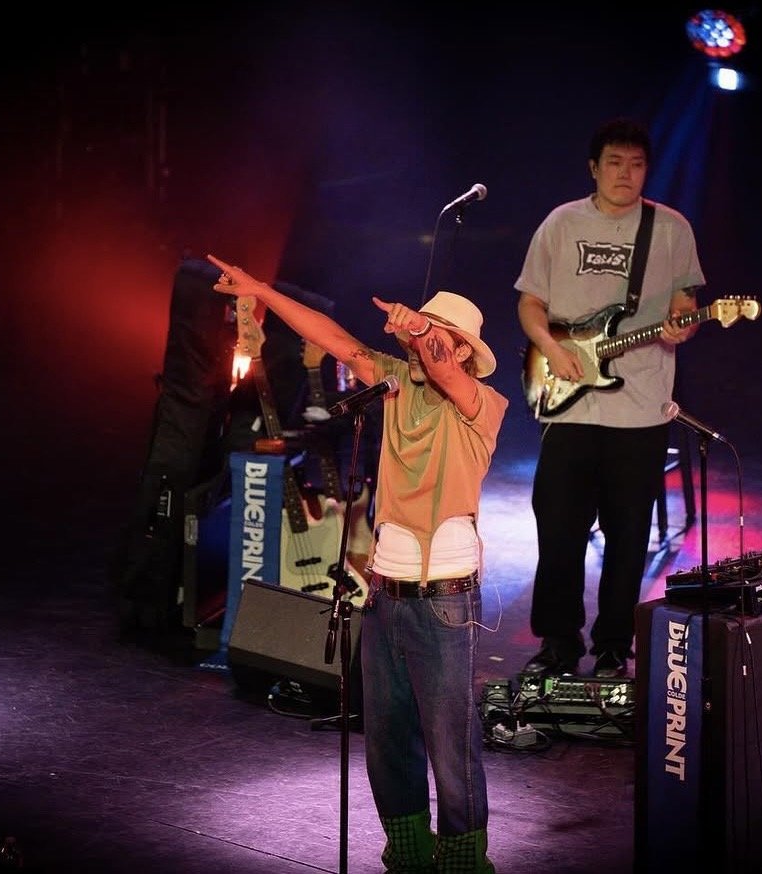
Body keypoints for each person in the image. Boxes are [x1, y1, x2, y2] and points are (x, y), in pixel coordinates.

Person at [207, 253, 504, 873]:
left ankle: (463, 860)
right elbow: (331, 335)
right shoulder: (392, 382)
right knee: (386, 736)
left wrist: (420, 328)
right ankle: (409, 852)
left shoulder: (479, 402)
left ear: (463, 352)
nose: (423, 344)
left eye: (439, 335)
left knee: (451, 743)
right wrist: (262, 291)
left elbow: (444, 368)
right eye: (422, 332)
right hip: (384, 596)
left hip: (444, 600)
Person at [515, 117, 706, 679]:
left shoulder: (670, 229)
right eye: (615, 163)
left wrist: (684, 325)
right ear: (594, 168)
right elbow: (530, 302)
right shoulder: (561, 223)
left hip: (640, 406)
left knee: (628, 535)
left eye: (637, 164)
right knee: (558, 529)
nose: (626, 174)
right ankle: (558, 642)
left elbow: (685, 305)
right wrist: (552, 347)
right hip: (569, 401)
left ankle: (614, 645)